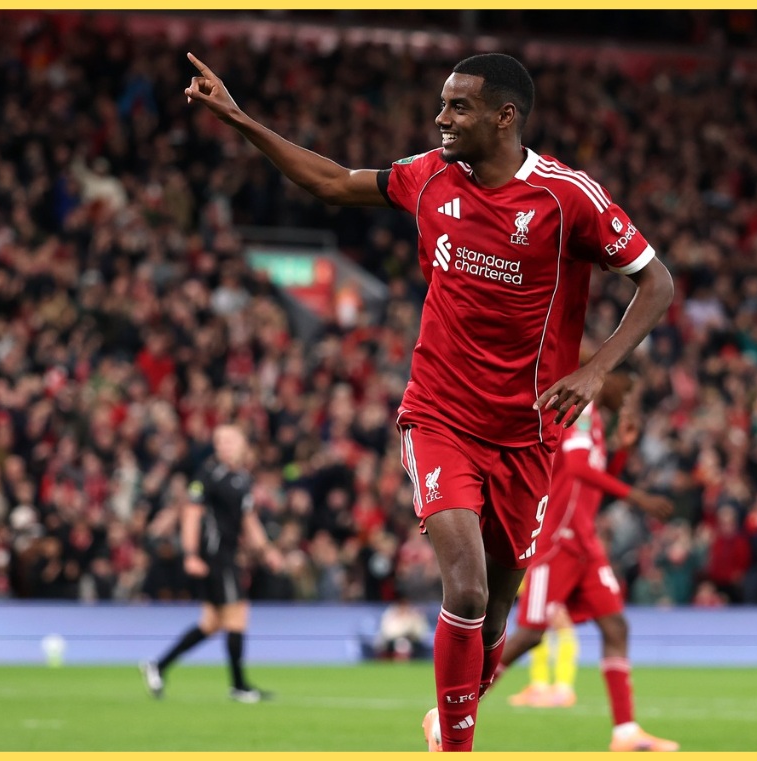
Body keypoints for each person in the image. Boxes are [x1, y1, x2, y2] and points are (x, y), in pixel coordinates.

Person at [184, 51, 673, 752]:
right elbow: (328, 179)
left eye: (458, 106)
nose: (440, 117)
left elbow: (655, 282)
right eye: (442, 103)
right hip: (439, 416)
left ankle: (454, 708)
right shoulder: (428, 176)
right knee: (467, 589)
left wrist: (596, 369)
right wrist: (238, 118)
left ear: (504, 117)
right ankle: (454, 744)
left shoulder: (567, 198)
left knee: (496, 617)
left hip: (526, 436)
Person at [495, 368, 680, 751]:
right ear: (608, 379)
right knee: (530, 634)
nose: (628, 399)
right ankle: (455, 710)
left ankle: (625, 732)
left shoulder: (595, 425)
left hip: (585, 543)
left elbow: (589, 481)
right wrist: (639, 497)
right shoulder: (580, 411)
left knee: (616, 628)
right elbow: (578, 469)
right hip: (558, 541)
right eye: (627, 388)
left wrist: (623, 450)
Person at [140, 425, 282, 702]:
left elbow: (248, 520)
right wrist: (191, 554)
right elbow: (191, 513)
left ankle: (158, 667)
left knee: (212, 622)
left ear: (243, 443)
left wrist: (267, 551)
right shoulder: (209, 474)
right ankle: (239, 686)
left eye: (230, 440)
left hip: (227, 554)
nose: (225, 445)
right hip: (215, 556)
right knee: (237, 614)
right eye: (220, 441)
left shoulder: (241, 478)